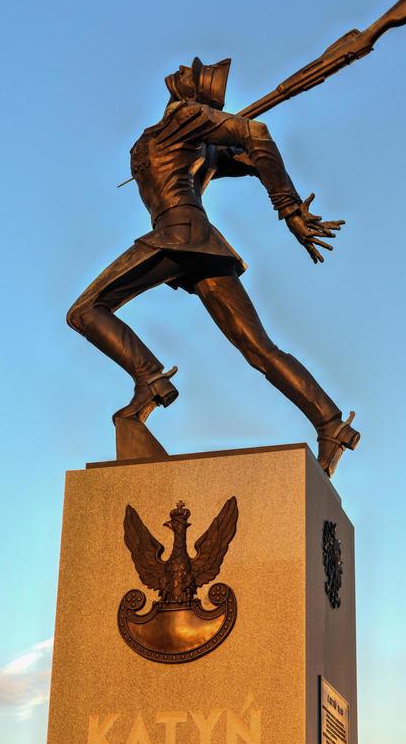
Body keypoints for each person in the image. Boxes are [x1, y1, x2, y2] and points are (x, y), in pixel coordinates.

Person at [67, 57, 359, 475]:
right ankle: (330, 422)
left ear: (194, 95)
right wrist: (218, 143)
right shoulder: (190, 132)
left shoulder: (189, 117)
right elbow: (247, 149)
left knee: (85, 310)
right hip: (197, 244)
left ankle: (149, 378)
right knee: (258, 348)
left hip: (178, 236)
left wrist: (288, 208)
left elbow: (256, 138)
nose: (185, 69)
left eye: (193, 73)